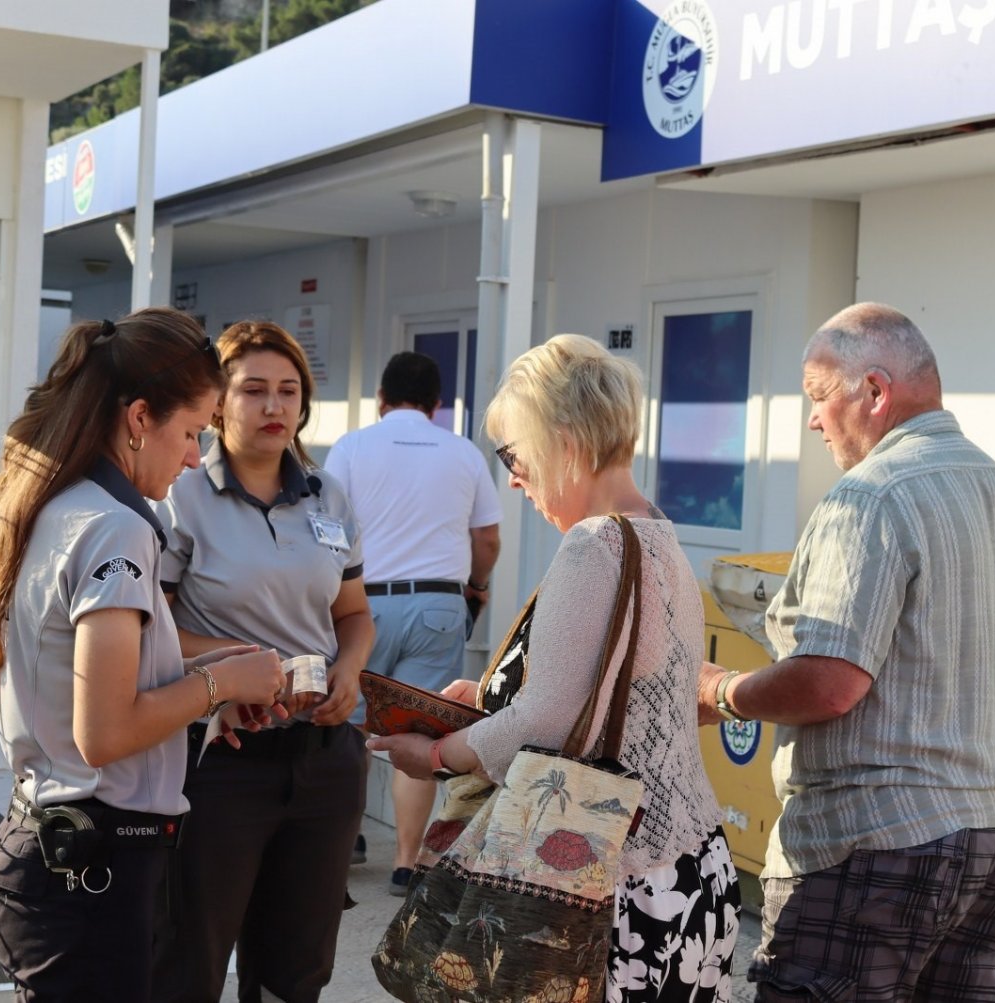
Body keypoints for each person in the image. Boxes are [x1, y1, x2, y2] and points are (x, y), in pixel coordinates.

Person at [698, 302, 995, 1001]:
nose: (813, 421)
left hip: (874, 847)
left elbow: (830, 682)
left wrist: (720, 691)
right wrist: (990, 775)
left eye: (818, 396)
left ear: (873, 391)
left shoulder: (869, 495)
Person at [369, 334, 740, 999]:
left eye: (514, 455)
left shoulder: (593, 543)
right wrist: (495, 694)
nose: (513, 478)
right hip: (689, 869)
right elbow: (613, 690)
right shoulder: (656, 531)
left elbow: (547, 720)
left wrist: (437, 755)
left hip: (609, 881)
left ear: (562, 441)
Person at [0, 307, 288, 1001]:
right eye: (191, 432)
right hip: (87, 867)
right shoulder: (116, 528)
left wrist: (212, 687)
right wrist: (220, 681)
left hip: (59, 855)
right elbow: (103, 731)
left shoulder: (64, 503)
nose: (194, 456)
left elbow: (95, 685)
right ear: (139, 419)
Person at [151, 320, 374, 1003]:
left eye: (288, 390)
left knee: (297, 968)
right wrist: (241, 667)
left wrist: (349, 671)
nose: (274, 406)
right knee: (192, 959)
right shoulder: (181, 494)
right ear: (218, 402)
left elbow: (354, 615)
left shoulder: (329, 495)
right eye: (253, 390)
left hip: (324, 759)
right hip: (221, 761)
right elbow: (151, 631)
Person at [324, 350, 501, 893]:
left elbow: (327, 528)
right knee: (417, 733)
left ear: (381, 398)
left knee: (349, 726)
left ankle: (345, 841)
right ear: (436, 404)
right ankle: (406, 863)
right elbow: (487, 539)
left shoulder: (351, 447)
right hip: (437, 606)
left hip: (363, 605)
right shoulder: (464, 452)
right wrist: (477, 587)